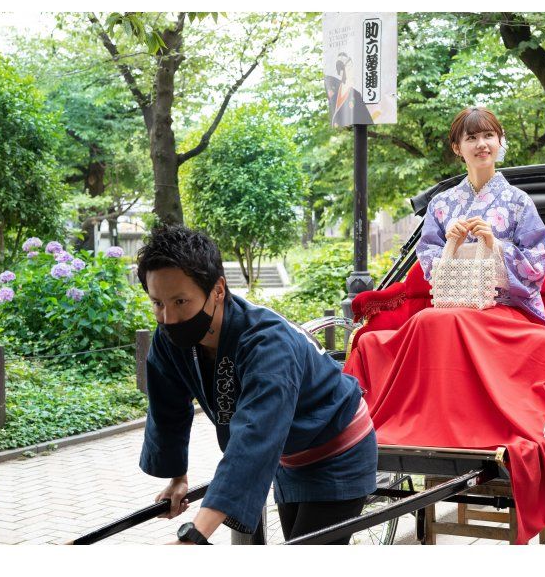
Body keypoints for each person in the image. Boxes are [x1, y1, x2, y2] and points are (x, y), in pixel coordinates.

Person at [342, 107, 545, 545]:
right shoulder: (444, 204)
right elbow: (428, 261)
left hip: (504, 307)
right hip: (454, 300)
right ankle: (421, 427)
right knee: (427, 320)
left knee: (447, 323)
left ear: (500, 143)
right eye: (472, 138)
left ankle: (472, 428)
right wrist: (454, 243)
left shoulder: (519, 202)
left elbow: (537, 265)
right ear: (457, 148)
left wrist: (493, 244)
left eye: (490, 136)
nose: (482, 144)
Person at [135, 225, 377, 545]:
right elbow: (168, 410)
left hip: (339, 446)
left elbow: (255, 435)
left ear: (218, 289)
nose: (168, 317)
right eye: (157, 303)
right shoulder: (170, 340)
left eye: (181, 301)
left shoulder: (267, 343)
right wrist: (178, 477)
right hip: (290, 455)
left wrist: (195, 535)